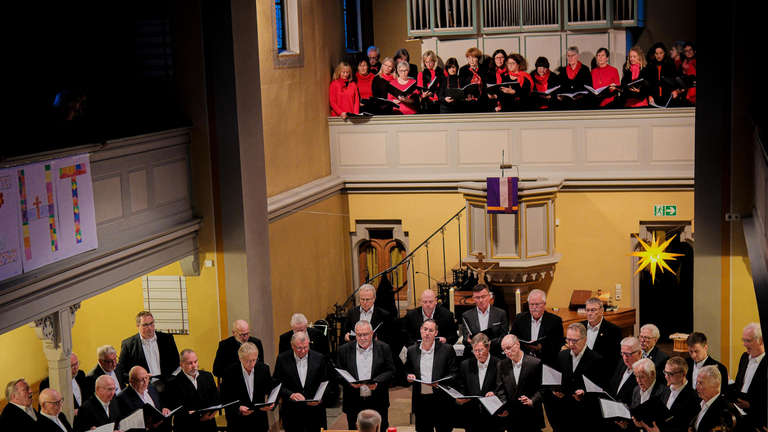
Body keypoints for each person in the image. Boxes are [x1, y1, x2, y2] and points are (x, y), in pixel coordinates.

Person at [336, 320, 395, 430]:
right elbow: (338, 374)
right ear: (355, 334)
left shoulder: (383, 348)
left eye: (366, 334)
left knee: (380, 429)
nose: (363, 338)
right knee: (354, 429)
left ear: (372, 333)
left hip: (378, 398)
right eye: (359, 335)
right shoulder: (344, 350)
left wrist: (377, 382)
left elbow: (391, 371)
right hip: (354, 399)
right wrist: (350, 383)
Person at [405, 319, 458, 432]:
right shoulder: (412, 350)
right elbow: (407, 370)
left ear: (436, 333)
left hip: (441, 401)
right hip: (421, 400)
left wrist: (440, 383)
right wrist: (409, 376)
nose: (427, 333)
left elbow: (454, 374)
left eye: (431, 330)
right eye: (425, 329)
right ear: (420, 331)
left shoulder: (447, 349)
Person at [551, 323, 605, 432]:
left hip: (586, 415)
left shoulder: (596, 359)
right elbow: (557, 379)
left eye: (575, 341)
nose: (571, 344)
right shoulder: (562, 355)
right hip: (565, 413)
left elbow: (601, 389)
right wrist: (555, 390)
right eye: (568, 340)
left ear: (585, 339)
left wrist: (584, 393)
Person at [273, 331, 330, 432]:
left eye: (306, 347)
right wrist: (291, 394)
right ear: (292, 346)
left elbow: (325, 383)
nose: (303, 351)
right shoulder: (282, 359)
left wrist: (319, 398)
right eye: (299, 348)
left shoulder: (319, 358)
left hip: (314, 412)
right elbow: (276, 383)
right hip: (292, 412)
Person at [491, 334, 544, 432]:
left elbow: (542, 388)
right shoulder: (501, 365)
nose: (507, 352)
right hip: (512, 415)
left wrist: (532, 400)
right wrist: (504, 407)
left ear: (517, 345)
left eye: (508, 348)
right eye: (504, 350)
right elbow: (500, 389)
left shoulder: (535, 363)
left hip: (531, 415)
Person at [117, 311, 180, 391]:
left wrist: (171, 378)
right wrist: (138, 381)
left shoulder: (167, 339)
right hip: (143, 390)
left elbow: (176, 363)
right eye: (145, 325)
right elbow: (122, 372)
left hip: (168, 386)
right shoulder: (128, 345)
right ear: (138, 326)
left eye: (151, 323)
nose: (150, 328)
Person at [221, 342, 275, 432]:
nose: (251, 364)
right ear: (240, 358)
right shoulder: (229, 372)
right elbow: (224, 398)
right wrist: (238, 408)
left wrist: (270, 403)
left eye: (254, 360)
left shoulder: (263, 369)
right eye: (248, 361)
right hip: (238, 422)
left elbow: (270, 389)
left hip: (259, 421)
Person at [637, 356, 698, 432]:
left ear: (683, 374)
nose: (666, 376)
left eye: (670, 374)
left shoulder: (692, 397)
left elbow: (685, 427)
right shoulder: (665, 390)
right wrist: (643, 423)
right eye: (665, 372)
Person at [454, 334, 502, 432]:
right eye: (475, 350)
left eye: (480, 350)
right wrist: (459, 398)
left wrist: (495, 393)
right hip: (472, 417)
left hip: (493, 418)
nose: (478, 353)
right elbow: (462, 387)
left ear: (488, 347)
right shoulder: (465, 365)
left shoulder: (499, 364)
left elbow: (503, 388)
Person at [166, 349, 219, 432]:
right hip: (186, 427)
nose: (194, 366)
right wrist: (198, 417)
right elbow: (175, 408)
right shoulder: (173, 383)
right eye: (190, 363)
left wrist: (212, 413)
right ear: (181, 365)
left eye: (196, 361)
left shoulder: (207, 376)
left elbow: (216, 399)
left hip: (209, 425)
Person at [509, 288, 565, 367]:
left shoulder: (555, 321)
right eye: (531, 304)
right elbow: (512, 338)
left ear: (544, 304)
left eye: (537, 304)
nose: (534, 307)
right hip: (524, 361)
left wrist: (541, 348)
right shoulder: (520, 319)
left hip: (546, 362)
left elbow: (557, 345)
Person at [729, 322, 766, 429]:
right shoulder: (744, 357)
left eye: (748, 340)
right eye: (743, 340)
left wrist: (751, 405)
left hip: (758, 418)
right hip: (739, 412)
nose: (744, 344)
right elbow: (739, 383)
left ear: (761, 341)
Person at [460, 284, 509, 357]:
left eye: (483, 296)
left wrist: (485, 345)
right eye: (477, 297)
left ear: (489, 296)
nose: (481, 300)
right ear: (473, 298)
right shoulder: (467, 316)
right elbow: (465, 339)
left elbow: (503, 336)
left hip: (495, 354)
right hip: (474, 355)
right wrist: (469, 341)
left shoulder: (501, 314)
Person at [116, 366, 169, 431]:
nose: (145, 382)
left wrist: (164, 409)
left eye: (146, 378)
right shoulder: (122, 398)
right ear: (131, 381)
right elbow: (125, 425)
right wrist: (149, 427)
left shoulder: (151, 388)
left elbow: (160, 404)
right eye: (141, 379)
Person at [580, 297, 622, 369]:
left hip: (600, 372)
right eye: (587, 310)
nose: (589, 313)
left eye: (593, 310)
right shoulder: (579, 326)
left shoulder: (613, 331)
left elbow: (613, 359)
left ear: (602, 311)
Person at [691, 366, 731, 432]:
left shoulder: (724, 410)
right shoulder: (698, 401)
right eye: (697, 382)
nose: (697, 387)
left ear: (715, 385)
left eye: (701, 383)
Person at [607, 337, 642, 405]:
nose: (625, 358)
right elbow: (613, 384)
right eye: (623, 353)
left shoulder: (643, 371)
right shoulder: (622, 363)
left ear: (639, 353)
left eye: (628, 354)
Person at [646, 42, 681, 107]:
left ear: (664, 53)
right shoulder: (650, 67)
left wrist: (675, 90)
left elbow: (675, 80)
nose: (658, 55)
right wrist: (650, 95)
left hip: (668, 98)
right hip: (654, 99)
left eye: (661, 53)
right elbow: (649, 83)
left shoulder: (670, 65)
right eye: (656, 53)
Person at [459, 47, 486, 112]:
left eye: (473, 58)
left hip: (482, 101)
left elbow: (485, 85)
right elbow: (462, 85)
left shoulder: (484, 69)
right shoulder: (463, 69)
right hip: (468, 101)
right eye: (469, 58)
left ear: (478, 58)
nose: (471, 60)